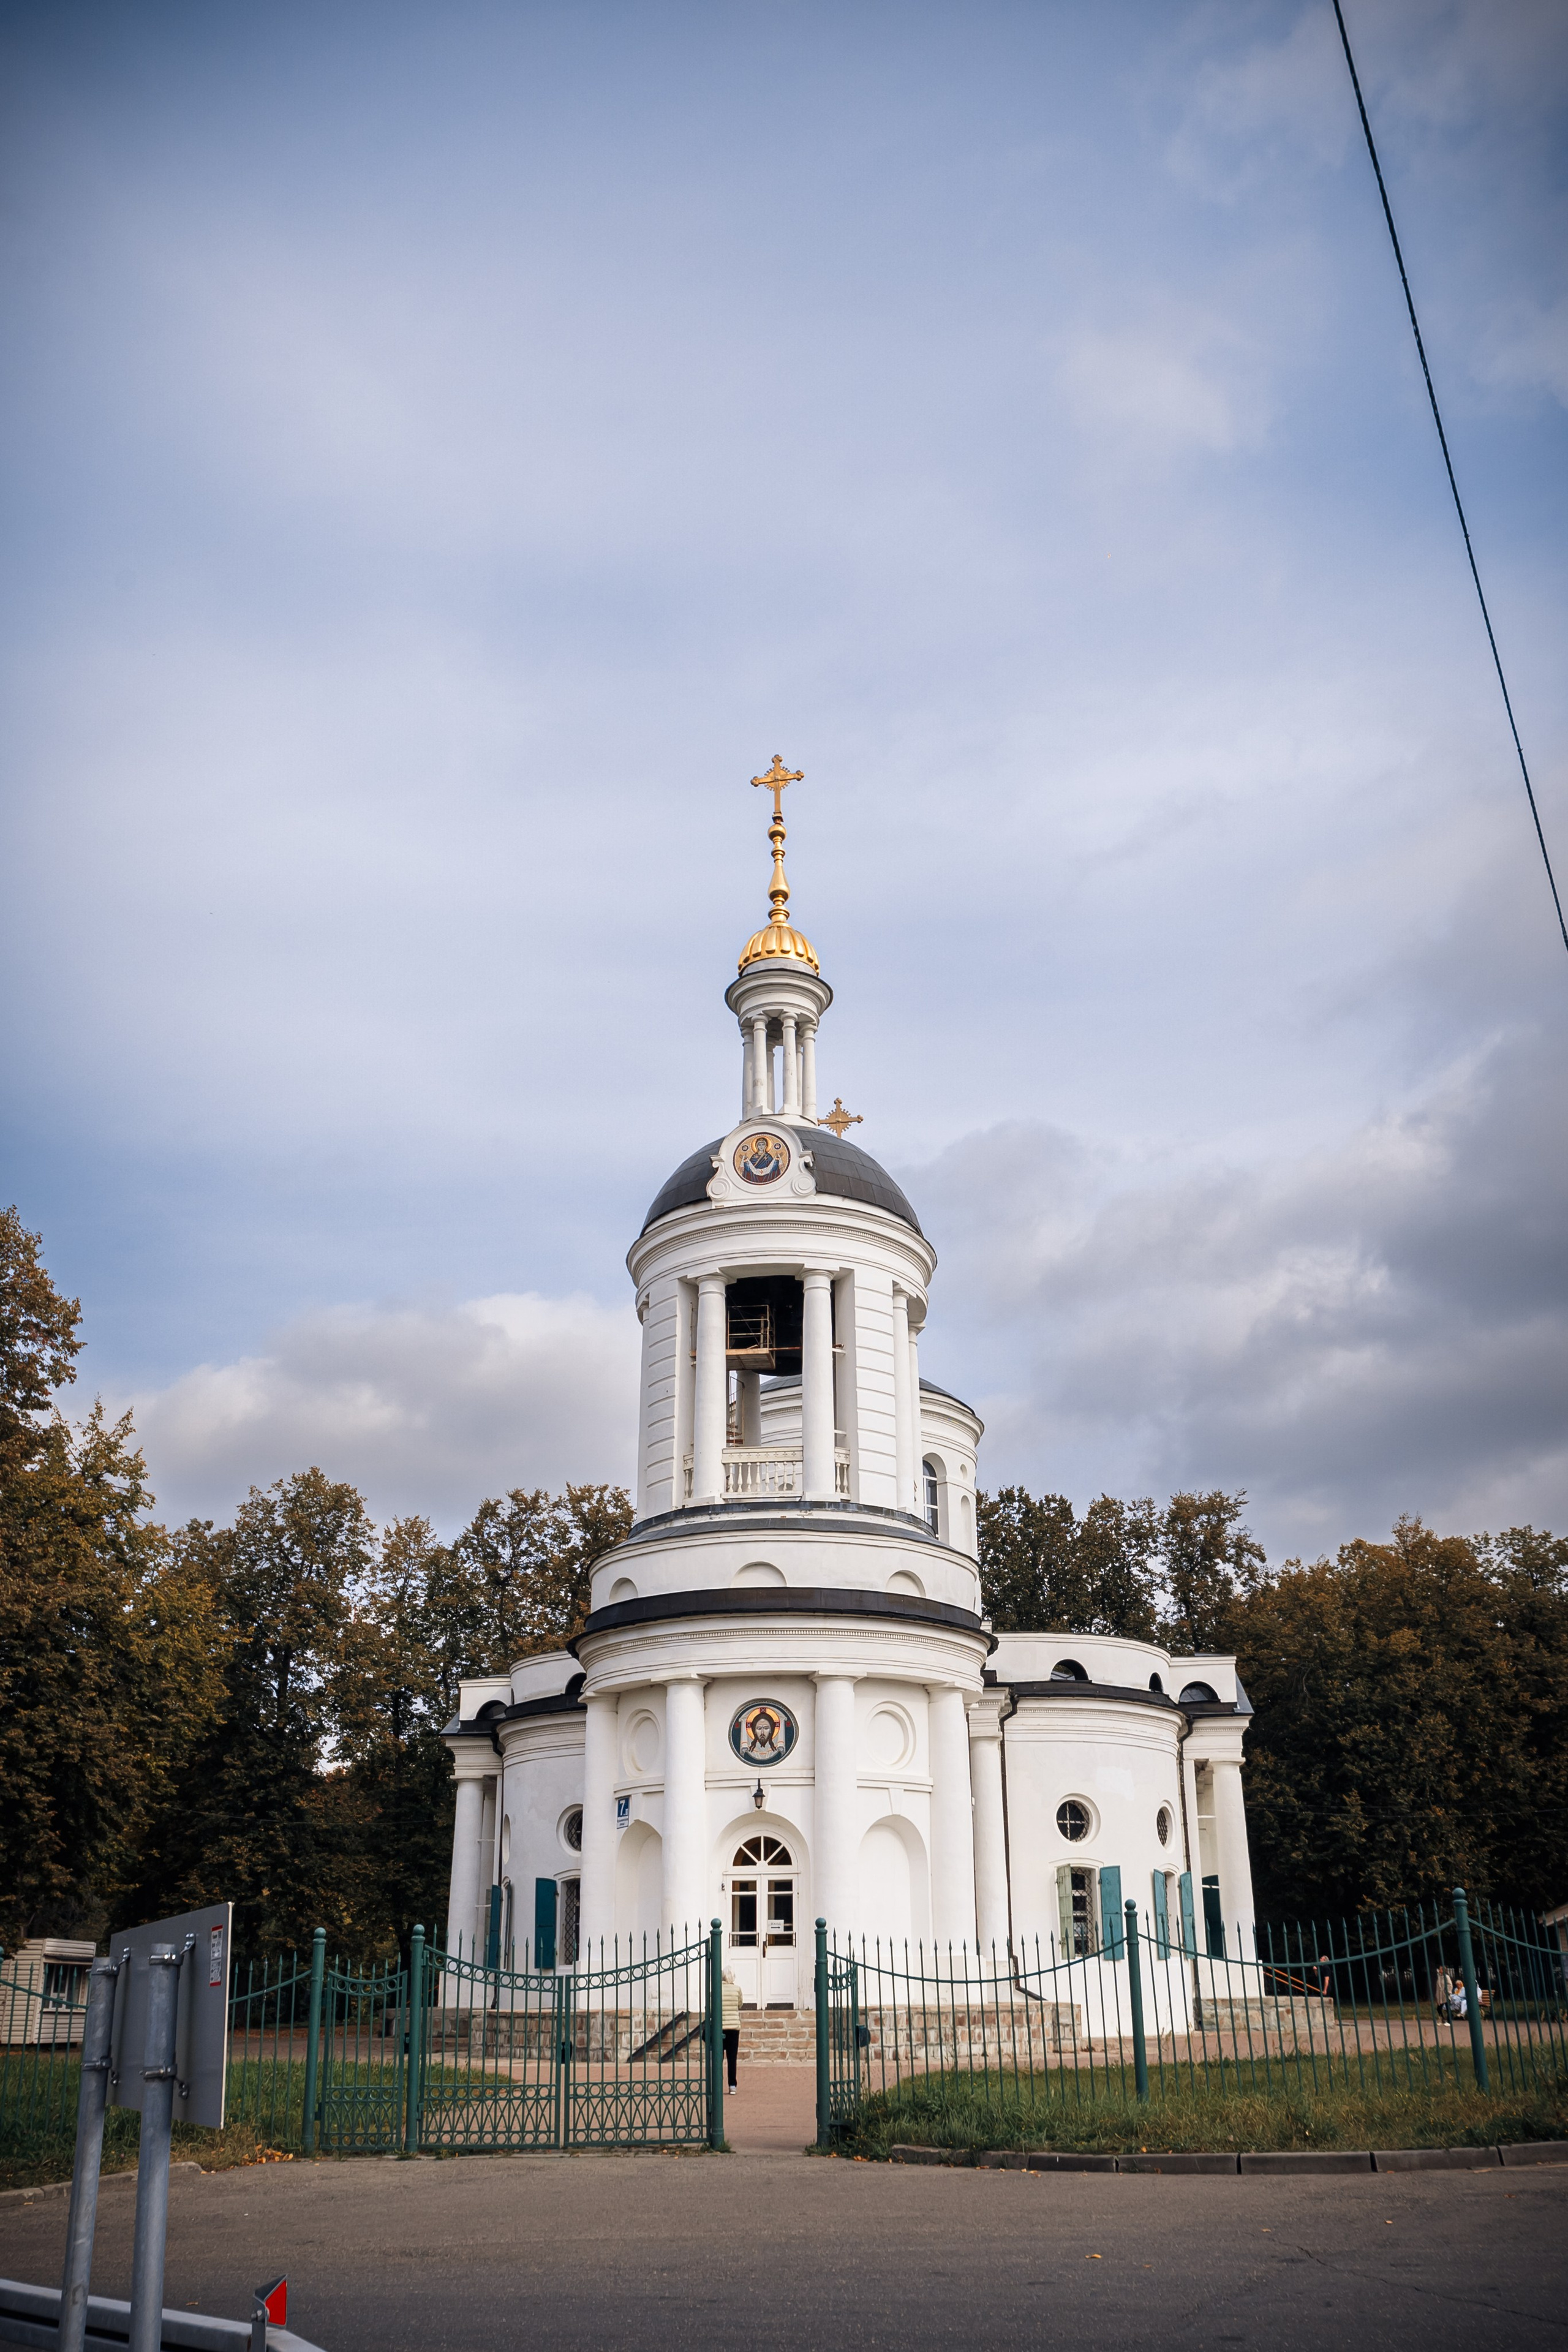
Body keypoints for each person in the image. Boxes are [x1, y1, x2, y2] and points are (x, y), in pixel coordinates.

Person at [722, 1964, 741, 2095]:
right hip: (734, 2027)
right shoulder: (737, 1989)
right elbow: (740, 2004)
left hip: (721, 2027)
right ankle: (732, 2085)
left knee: (718, 2057)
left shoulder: (718, 1989)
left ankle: (717, 2082)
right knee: (732, 2058)